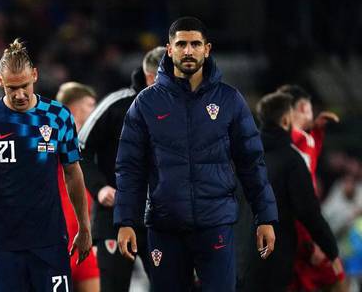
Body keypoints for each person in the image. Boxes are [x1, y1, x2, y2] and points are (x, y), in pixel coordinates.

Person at [115, 17, 278, 292]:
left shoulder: (230, 100)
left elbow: (252, 163)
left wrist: (266, 218)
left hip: (215, 224)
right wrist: (125, 221)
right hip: (165, 227)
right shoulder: (146, 102)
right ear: (169, 50)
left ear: (207, 49)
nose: (188, 51)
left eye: (195, 44)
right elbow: (130, 167)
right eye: (181, 44)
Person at [0, 39, 92, 291]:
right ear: (0, 80)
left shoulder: (58, 116)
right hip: (4, 241)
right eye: (12, 88)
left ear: (34, 75)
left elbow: (73, 173)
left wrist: (84, 227)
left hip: (50, 238)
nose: (20, 94)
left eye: (24, 86)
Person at [78, 46, 165, 292]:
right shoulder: (116, 105)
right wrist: (99, 188)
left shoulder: (180, 110)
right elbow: (79, 150)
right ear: (150, 77)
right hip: (114, 217)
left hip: (161, 220)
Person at [241, 92, 340, 291]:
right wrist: (331, 250)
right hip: (273, 262)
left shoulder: (242, 155)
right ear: (286, 119)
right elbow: (308, 212)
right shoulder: (291, 160)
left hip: (238, 259)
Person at [276, 84, 345, 291]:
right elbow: (299, 197)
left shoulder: (296, 140)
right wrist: (313, 239)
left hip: (292, 230)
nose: (311, 111)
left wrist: (318, 131)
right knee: (336, 275)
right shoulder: (295, 140)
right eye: (307, 107)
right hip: (300, 229)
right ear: (295, 110)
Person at [56, 81, 100, 292]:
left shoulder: (89, 142)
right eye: (90, 105)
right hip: (60, 236)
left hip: (83, 233)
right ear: (74, 108)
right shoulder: (54, 137)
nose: (94, 110)